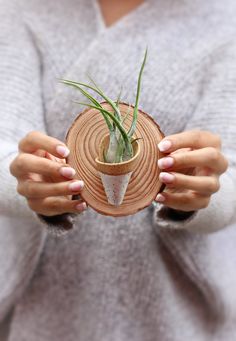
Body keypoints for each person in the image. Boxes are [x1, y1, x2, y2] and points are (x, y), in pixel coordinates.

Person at [0, 0, 236, 340]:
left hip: (175, 313)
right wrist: (25, 184)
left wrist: (200, 194)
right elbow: (6, 148)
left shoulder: (224, 21)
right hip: (47, 308)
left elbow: (227, 173)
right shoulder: (23, 10)